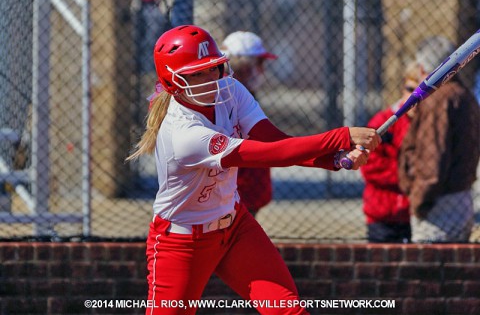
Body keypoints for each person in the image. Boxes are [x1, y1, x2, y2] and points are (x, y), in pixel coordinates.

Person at [126, 25, 380, 315]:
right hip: (182, 242)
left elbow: (274, 141)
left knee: (288, 311)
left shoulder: (230, 89)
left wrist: (331, 159)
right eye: (196, 74)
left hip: (235, 227)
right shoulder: (182, 134)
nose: (210, 79)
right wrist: (341, 137)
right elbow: (266, 155)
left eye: (213, 68)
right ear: (172, 81)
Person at [398, 35, 480, 243]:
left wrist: (419, 201)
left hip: (439, 204)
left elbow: (431, 159)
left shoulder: (438, 100)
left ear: (425, 68)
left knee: (431, 266)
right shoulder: (463, 94)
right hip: (458, 197)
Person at [360, 61, 421, 243]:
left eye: (421, 94)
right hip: (382, 214)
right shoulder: (384, 121)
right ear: (403, 89)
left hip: (416, 213)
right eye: (410, 89)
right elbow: (369, 164)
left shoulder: (428, 125)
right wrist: (408, 175)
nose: (414, 99)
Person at [221, 31, 278, 217]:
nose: (262, 71)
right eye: (259, 63)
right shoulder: (226, 99)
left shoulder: (245, 96)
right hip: (234, 196)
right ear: (243, 67)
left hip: (246, 195)